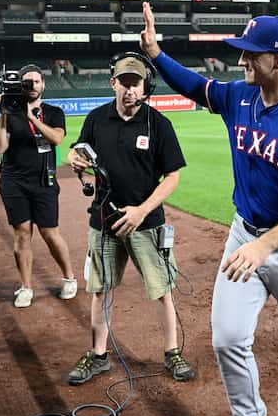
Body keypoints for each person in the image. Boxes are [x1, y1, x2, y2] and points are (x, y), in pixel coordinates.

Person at [140, 3, 278, 416]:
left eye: (251, 53)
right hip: (244, 237)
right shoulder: (239, 97)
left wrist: (266, 245)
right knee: (228, 338)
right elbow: (197, 87)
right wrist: (156, 54)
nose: (242, 60)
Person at [64, 53, 194, 385]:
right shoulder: (96, 119)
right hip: (104, 220)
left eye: (135, 84)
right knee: (100, 290)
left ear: (144, 86)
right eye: (124, 83)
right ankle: (98, 356)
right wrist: (74, 159)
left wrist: (141, 211)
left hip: (146, 222)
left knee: (163, 290)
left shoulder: (158, 124)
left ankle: (172, 353)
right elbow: (76, 153)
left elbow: (174, 178)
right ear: (114, 84)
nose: (129, 90)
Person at [0, 64, 77, 308]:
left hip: (43, 181)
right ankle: (25, 286)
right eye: (27, 82)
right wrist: (5, 113)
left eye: (36, 82)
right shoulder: (8, 111)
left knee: (50, 233)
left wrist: (29, 116)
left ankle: (69, 277)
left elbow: (56, 138)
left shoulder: (53, 112)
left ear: (43, 84)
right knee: (22, 234)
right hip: (13, 181)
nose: (32, 86)